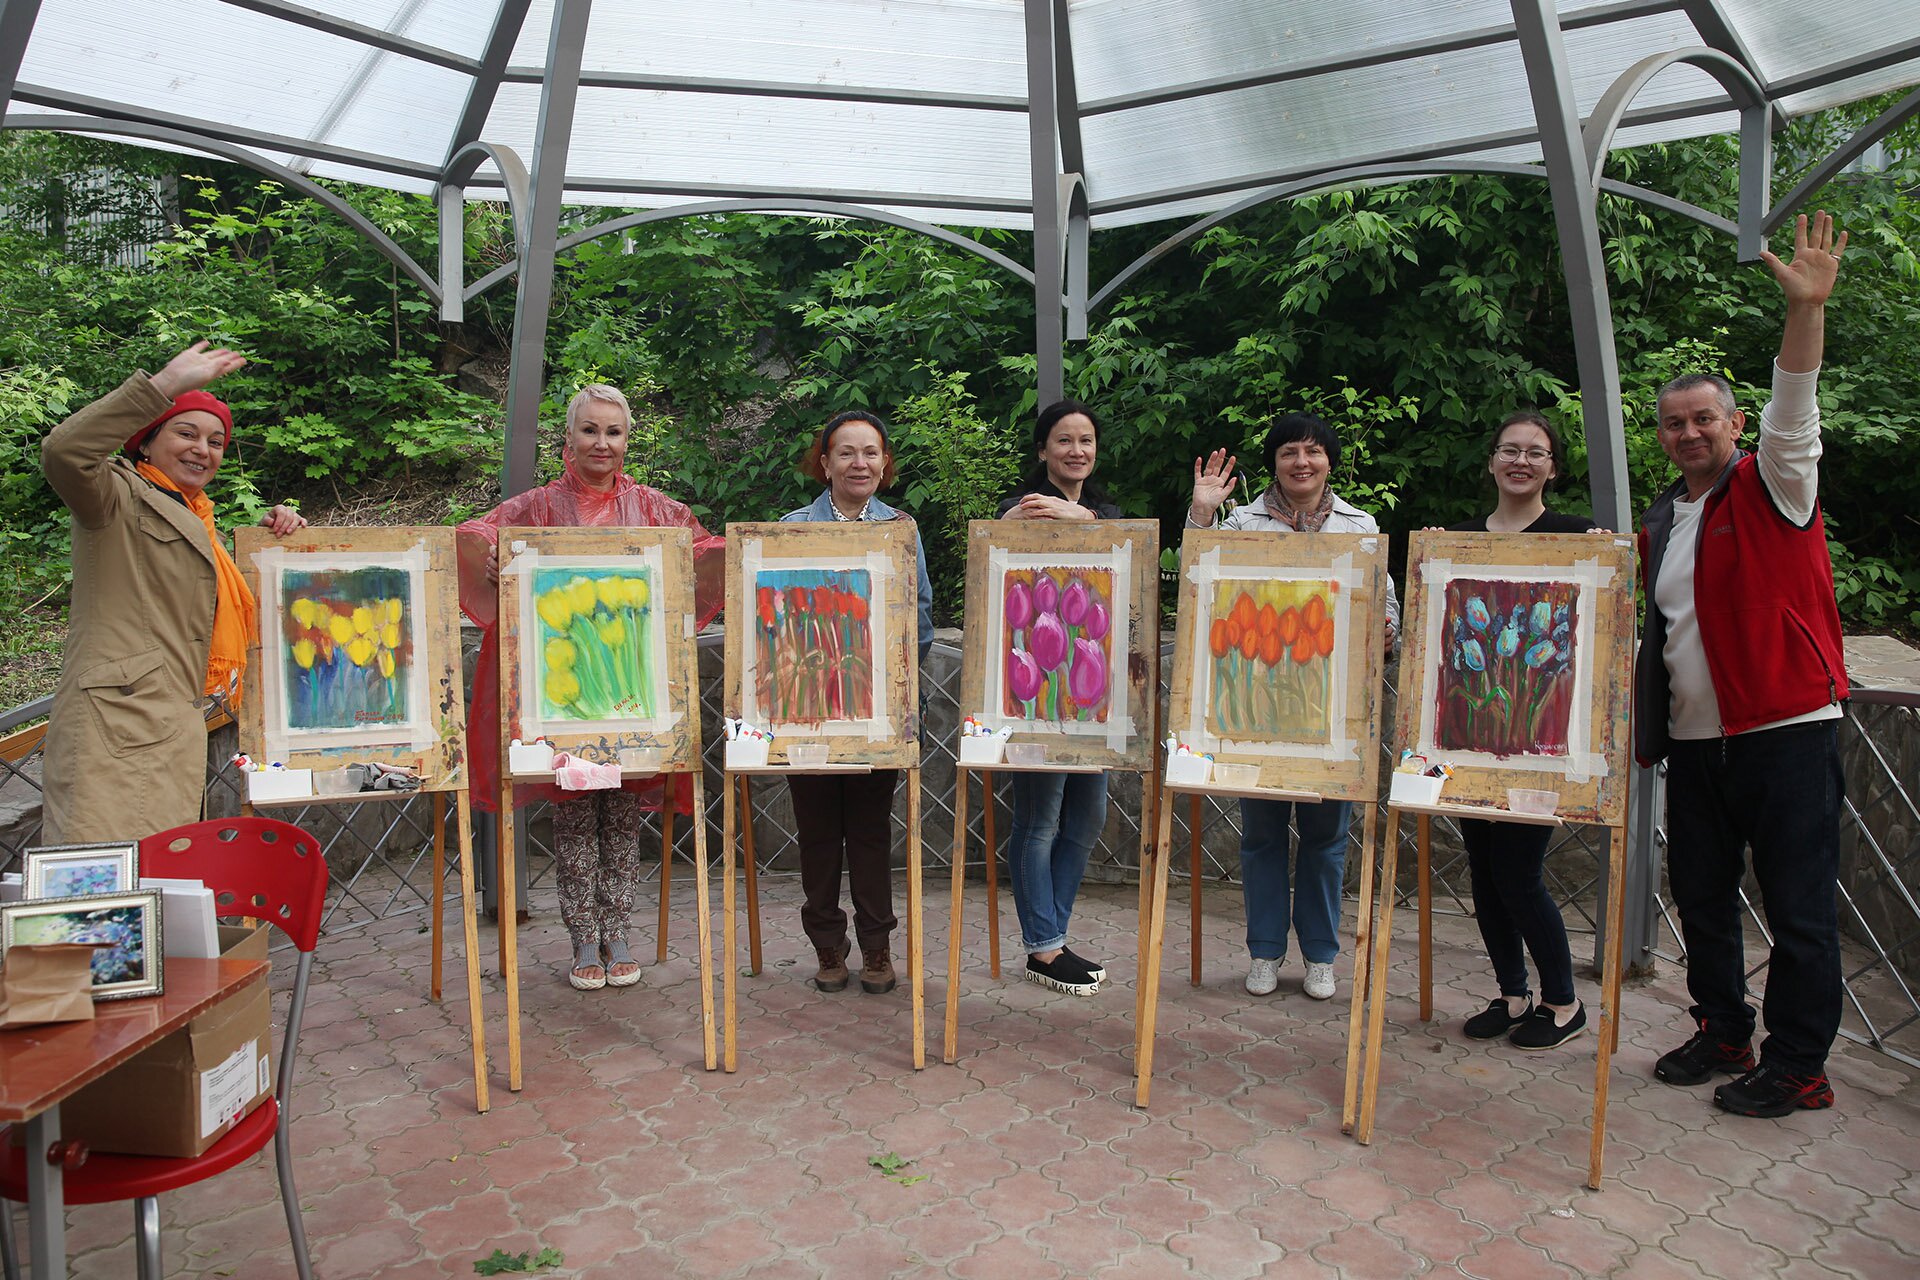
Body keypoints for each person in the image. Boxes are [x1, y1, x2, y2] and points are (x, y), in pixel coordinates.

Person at [1637, 212, 1849, 1117]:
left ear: (1734, 423)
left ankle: (1800, 1066)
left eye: (1704, 419)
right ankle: (1725, 1029)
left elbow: (1795, 406)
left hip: (1787, 730)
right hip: (1697, 744)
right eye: (1674, 423)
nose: (1689, 433)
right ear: (1661, 436)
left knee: (1798, 910)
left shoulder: (1775, 483)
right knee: (1703, 899)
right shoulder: (1663, 519)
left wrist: (1806, 310)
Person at [457, 385, 723, 991]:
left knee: (623, 817)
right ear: (569, 438)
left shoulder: (655, 509)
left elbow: (703, 553)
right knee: (575, 817)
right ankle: (583, 938)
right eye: (590, 430)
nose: (602, 443)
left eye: (614, 432)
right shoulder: (537, 508)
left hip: (632, 693)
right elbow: (474, 535)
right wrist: (496, 558)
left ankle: (618, 933)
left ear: (627, 441)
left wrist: (743, 553)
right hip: (561, 696)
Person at [38, 342, 305, 846]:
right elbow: (64, 453)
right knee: (108, 877)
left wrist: (273, 539)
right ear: (144, 442)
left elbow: (201, 599)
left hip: (174, 730)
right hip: (117, 730)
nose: (202, 449)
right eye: (186, 433)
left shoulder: (198, 520)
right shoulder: (113, 496)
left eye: (216, 441)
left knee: (160, 878)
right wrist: (162, 386)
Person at [1186, 414, 1399, 1001]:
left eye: (1313, 451)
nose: (1301, 462)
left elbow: (1385, 603)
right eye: (1288, 452)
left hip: (1333, 712)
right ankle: (1264, 951)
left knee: (1327, 839)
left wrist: (1386, 630)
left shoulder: (1359, 524)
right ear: (1275, 463)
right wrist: (1201, 512)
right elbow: (1198, 579)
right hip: (1255, 706)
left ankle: (1322, 955)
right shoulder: (1242, 522)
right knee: (1261, 836)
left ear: (1329, 460)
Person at [1448, 411, 1595, 1050]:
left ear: (1552, 469)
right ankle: (1513, 994)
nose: (1521, 461)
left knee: (1518, 874)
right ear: (1491, 461)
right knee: (1483, 872)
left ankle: (1563, 1002)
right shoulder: (1457, 541)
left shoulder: (1577, 536)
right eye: (1510, 450)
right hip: (1470, 737)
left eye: (1536, 453)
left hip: (1542, 745)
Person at [780, 410, 934, 995]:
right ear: (825, 463)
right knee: (817, 833)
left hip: (878, 710)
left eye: (870, 452)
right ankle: (826, 944)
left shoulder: (901, 529)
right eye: (846, 452)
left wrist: (890, 680)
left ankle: (875, 946)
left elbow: (920, 613)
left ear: (884, 463)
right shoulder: (793, 528)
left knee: (870, 833)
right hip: (807, 708)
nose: (859, 463)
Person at [996, 399, 1125, 996]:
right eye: (1064, 440)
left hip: (1093, 696)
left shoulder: (1107, 514)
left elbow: (1127, 559)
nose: (1077, 451)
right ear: (1043, 449)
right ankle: (1043, 947)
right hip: (1036, 698)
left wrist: (1083, 520)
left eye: (1086, 441)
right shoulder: (1020, 510)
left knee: (1087, 817)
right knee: (1039, 819)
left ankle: (1054, 934)